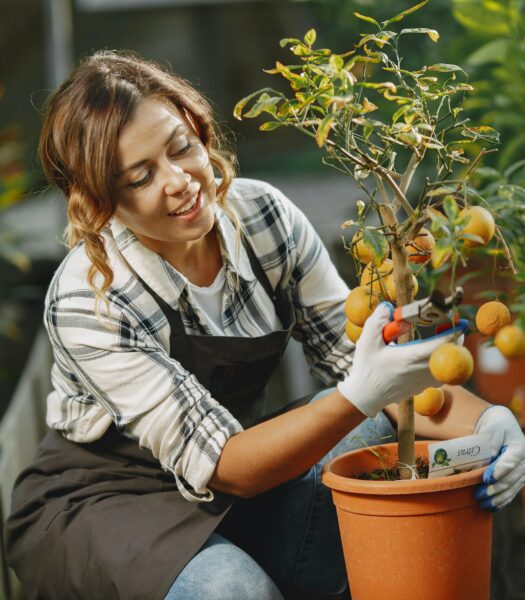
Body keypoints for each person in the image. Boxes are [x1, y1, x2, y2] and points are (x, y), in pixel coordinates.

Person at [5, 50, 525, 600]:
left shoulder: (263, 219)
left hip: (231, 476)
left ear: (200, 130)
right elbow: (231, 466)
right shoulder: (92, 295)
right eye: (141, 177)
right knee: (234, 590)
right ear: (102, 203)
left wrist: (490, 423)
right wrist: (361, 393)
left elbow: (374, 369)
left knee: (384, 434)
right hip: (108, 501)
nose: (180, 181)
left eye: (182, 147)